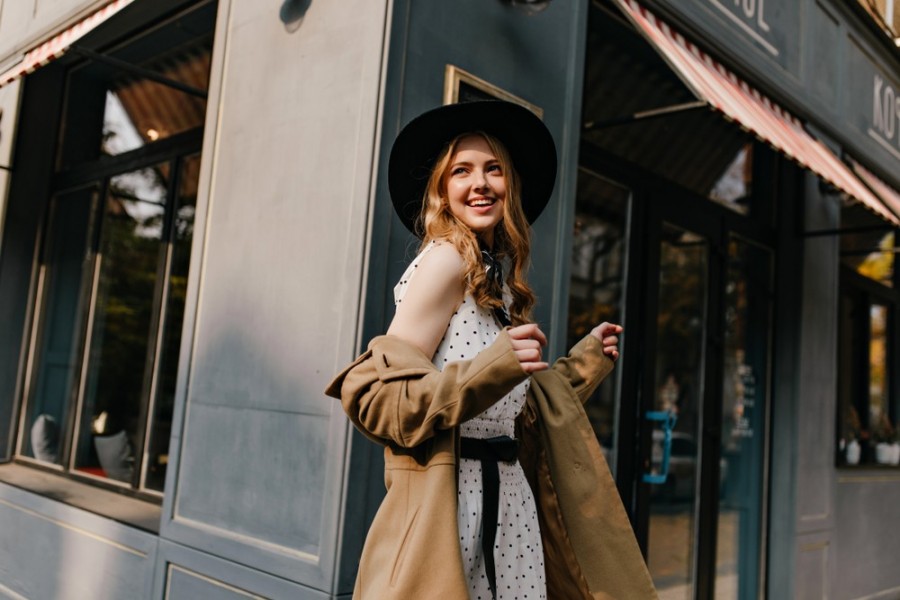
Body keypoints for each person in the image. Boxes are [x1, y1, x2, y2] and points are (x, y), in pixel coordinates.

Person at [326, 101, 656, 599]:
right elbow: (382, 400)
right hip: (455, 504)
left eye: (493, 169)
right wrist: (492, 367)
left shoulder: (494, 282)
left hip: (509, 505)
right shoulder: (445, 261)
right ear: (442, 190)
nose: (479, 183)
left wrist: (584, 364)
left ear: (510, 187)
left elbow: (509, 407)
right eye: (461, 171)